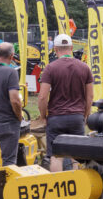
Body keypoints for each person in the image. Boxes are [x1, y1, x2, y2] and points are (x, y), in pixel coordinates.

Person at [39, 34, 94, 172]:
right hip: (76, 117)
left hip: (56, 117)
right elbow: (90, 96)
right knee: (77, 155)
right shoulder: (84, 68)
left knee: (56, 156)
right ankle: (78, 188)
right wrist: (85, 115)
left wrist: (43, 116)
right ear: (71, 47)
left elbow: (42, 97)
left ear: (56, 49)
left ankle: (58, 189)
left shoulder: (50, 68)